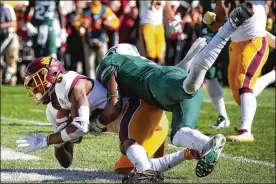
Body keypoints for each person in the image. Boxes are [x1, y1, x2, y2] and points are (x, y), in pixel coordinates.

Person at [95, 3, 254, 182]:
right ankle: (206, 143)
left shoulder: (113, 61)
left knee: (190, 82)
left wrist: (97, 125)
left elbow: (114, 103)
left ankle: (229, 26)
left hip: (157, 86)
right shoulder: (144, 64)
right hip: (174, 89)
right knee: (179, 133)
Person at [16, 46, 199, 183]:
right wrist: (59, 140)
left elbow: (81, 127)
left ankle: (152, 169)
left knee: (133, 160)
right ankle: (186, 154)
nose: (36, 89)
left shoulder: (68, 83)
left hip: (138, 111)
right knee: (128, 167)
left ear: (52, 74)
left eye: (37, 81)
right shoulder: (56, 107)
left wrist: (46, 140)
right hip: (143, 120)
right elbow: (66, 161)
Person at [170, 0, 231, 129]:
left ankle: (241, 122)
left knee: (236, 79)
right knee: (209, 75)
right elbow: (184, 5)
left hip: (231, 33)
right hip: (208, 34)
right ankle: (223, 116)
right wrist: (176, 18)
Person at [0, 1, 19, 86]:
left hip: (9, 37)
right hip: (2, 37)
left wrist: (1, 26)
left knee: (11, 60)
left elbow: (13, 23)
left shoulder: (6, 8)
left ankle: (12, 82)